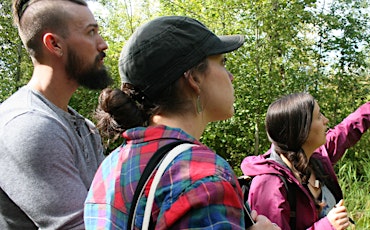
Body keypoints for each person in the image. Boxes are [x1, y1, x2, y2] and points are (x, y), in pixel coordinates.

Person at [84, 16, 279, 230]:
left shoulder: (110, 167)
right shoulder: (204, 177)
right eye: (222, 62)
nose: (231, 76)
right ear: (194, 78)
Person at [241, 72, 370, 230]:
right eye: (319, 116)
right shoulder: (269, 185)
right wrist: (328, 225)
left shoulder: (314, 158)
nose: (326, 120)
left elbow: (350, 127)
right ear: (302, 130)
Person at [0, 0, 112, 229]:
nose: (103, 45)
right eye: (91, 32)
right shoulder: (30, 126)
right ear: (54, 44)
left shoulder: (83, 126)